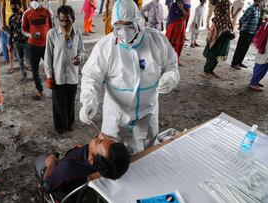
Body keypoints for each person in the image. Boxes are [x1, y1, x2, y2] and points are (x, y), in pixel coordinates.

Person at [79, 0, 180, 153]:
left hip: (147, 112)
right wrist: (88, 101)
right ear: (113, 24)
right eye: (118, 26)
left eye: (129, 25)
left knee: (147, 153)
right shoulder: (105, 47)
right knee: (113, 155)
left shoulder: (156, 40)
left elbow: (172, 65)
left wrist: (171, 77)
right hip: (116, 115)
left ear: (139, 21)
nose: (124, 31)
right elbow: (92, 77)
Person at [41, 133, 131, 201]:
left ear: (91, 159)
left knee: (40, 161)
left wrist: (51, 163)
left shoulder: (68, 166)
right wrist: (82, 149)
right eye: (108, 137)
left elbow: (46, 187)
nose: (101, 134)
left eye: (99, 141)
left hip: (63, 195)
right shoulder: (108, 167)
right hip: (81, 189)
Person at [44, 5, 85, 134]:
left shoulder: (77, 33)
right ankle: (60, 127)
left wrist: (80, 58)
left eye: (67, 20)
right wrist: (49, 76)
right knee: (58, 104)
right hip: (58, 76)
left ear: (72, 19)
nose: (64, 23)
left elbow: (82, 51)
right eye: (61, 20)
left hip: (72, 75)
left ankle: (70, 123)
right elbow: (48, 57)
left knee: (70, 102)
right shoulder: (52, 34)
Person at [22, 0, 53, 100]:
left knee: (51, 67)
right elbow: (24, 30)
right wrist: (30, 35)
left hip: (46, 46)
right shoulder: (26, 14)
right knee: (34, 69)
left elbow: (52, 28)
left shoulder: (47, 12)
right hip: (33, 46)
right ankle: (40, 91)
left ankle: (54, 88)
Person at [201, 0, 234, 79]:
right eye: (227, 7)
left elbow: (227, 24)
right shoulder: (220, 16)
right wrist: (229, 32)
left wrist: (230, 32)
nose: (228, 9)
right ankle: (206, 70)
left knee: (219, 53)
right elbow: (222, 26)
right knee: (214, 52)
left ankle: (211, 70)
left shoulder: (225, 17)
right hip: (218, 37)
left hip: (222, 36)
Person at [231, 0, 261, 70]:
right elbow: (242, 19)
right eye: (259, 1)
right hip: (245, 32)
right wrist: (241, 28)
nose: (260, 3)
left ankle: (239, 62)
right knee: (240, 47)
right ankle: (234, 63)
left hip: (251, 32)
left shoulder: (258, 9)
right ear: (256, 1)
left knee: (245, 48)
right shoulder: (251, 8)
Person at [8, 0, 29, 79]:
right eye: (12, 6)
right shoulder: (11, 18)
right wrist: (10, 44)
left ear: (19, 6)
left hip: (26, 41)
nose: (13, 8)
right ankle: (23, 73)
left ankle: (32, 70)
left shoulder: (25, 15)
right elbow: (10, 32)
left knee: (29, 58)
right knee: (20, 59)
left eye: (15, 6)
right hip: (16, 42)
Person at [165, 0, 190, 66]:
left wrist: (182, 8)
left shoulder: (186, 5)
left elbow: (187, 16)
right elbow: (170, 17)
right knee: (169, 42)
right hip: (172, 26)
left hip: (180, 26)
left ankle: (176, 59)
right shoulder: (173, 5)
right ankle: (167, 59)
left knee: (179, 44)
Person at [249, 18, 268, 91]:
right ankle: (253, 83)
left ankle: (255, 81)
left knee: (260, 62)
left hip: (264, 45)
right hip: (266, 47)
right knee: (263, 64)